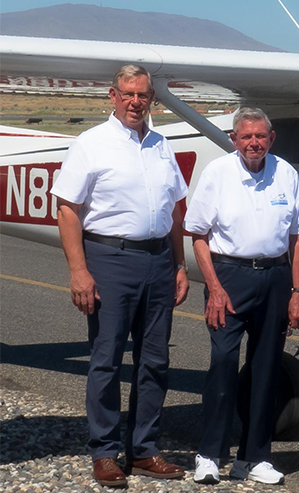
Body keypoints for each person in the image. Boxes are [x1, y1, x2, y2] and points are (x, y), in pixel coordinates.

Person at [51, 65, 189, 488]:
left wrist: (180, 265)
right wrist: (79, 271)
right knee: (107, 359)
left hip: (158, 261)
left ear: (152, 100)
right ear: (113, 95)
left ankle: (145, 449)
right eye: (128, 94)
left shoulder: (162, 145)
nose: (135, 102)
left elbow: (176, 210)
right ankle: (106, 452)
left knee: (155, 361)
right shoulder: (92, 144)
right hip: (110, 259)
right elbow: (68, 210)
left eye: (143, 95)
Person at [183, 107, 299, 486]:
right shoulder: (217, 174)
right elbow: (199, 236)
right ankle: (209, 454)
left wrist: (298, 290)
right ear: (235, 140)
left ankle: (254, 457)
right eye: (246, 136)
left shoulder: (286, 173)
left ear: (271, 138)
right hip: (229, 275)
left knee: (266, 369)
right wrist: (215, 288)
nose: (254, 142)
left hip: (275, 276)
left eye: (260, 136)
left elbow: (296, 238)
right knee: (222, 362)